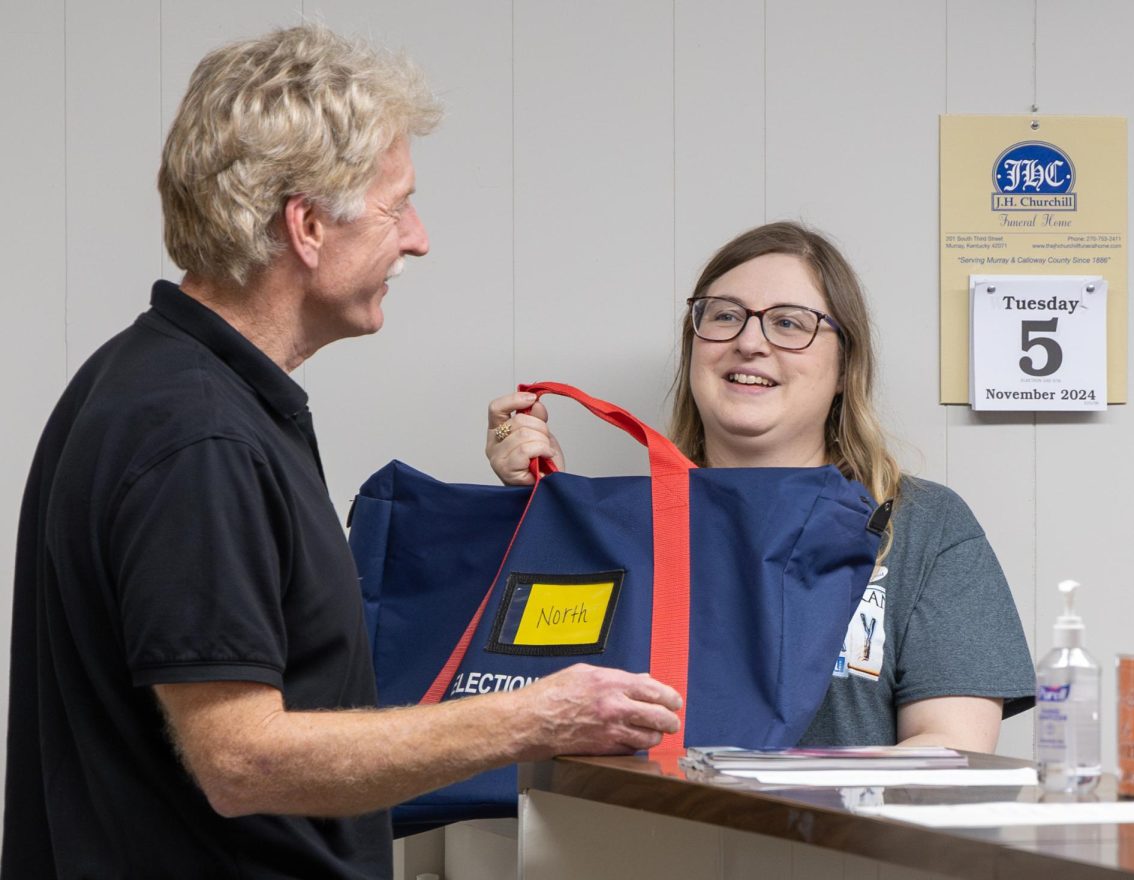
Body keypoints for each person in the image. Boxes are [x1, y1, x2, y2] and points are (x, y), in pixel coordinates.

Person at [2, 25, 680, 879]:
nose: (419, 238)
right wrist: (532, 720)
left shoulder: (168, 384)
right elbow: (241, 759)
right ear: (309, 225)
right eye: (398, 205)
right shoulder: (196, 434)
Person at [486, 221, 1035, 752]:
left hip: (839, 846)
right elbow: (541, 709)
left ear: (846, 365)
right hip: (639, 843)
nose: (749, 342)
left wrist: (748, 787)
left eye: (790, 323)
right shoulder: (618, 525)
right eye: (724, 316)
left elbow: (952, 747)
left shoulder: (920, 523)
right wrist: (538, 514)